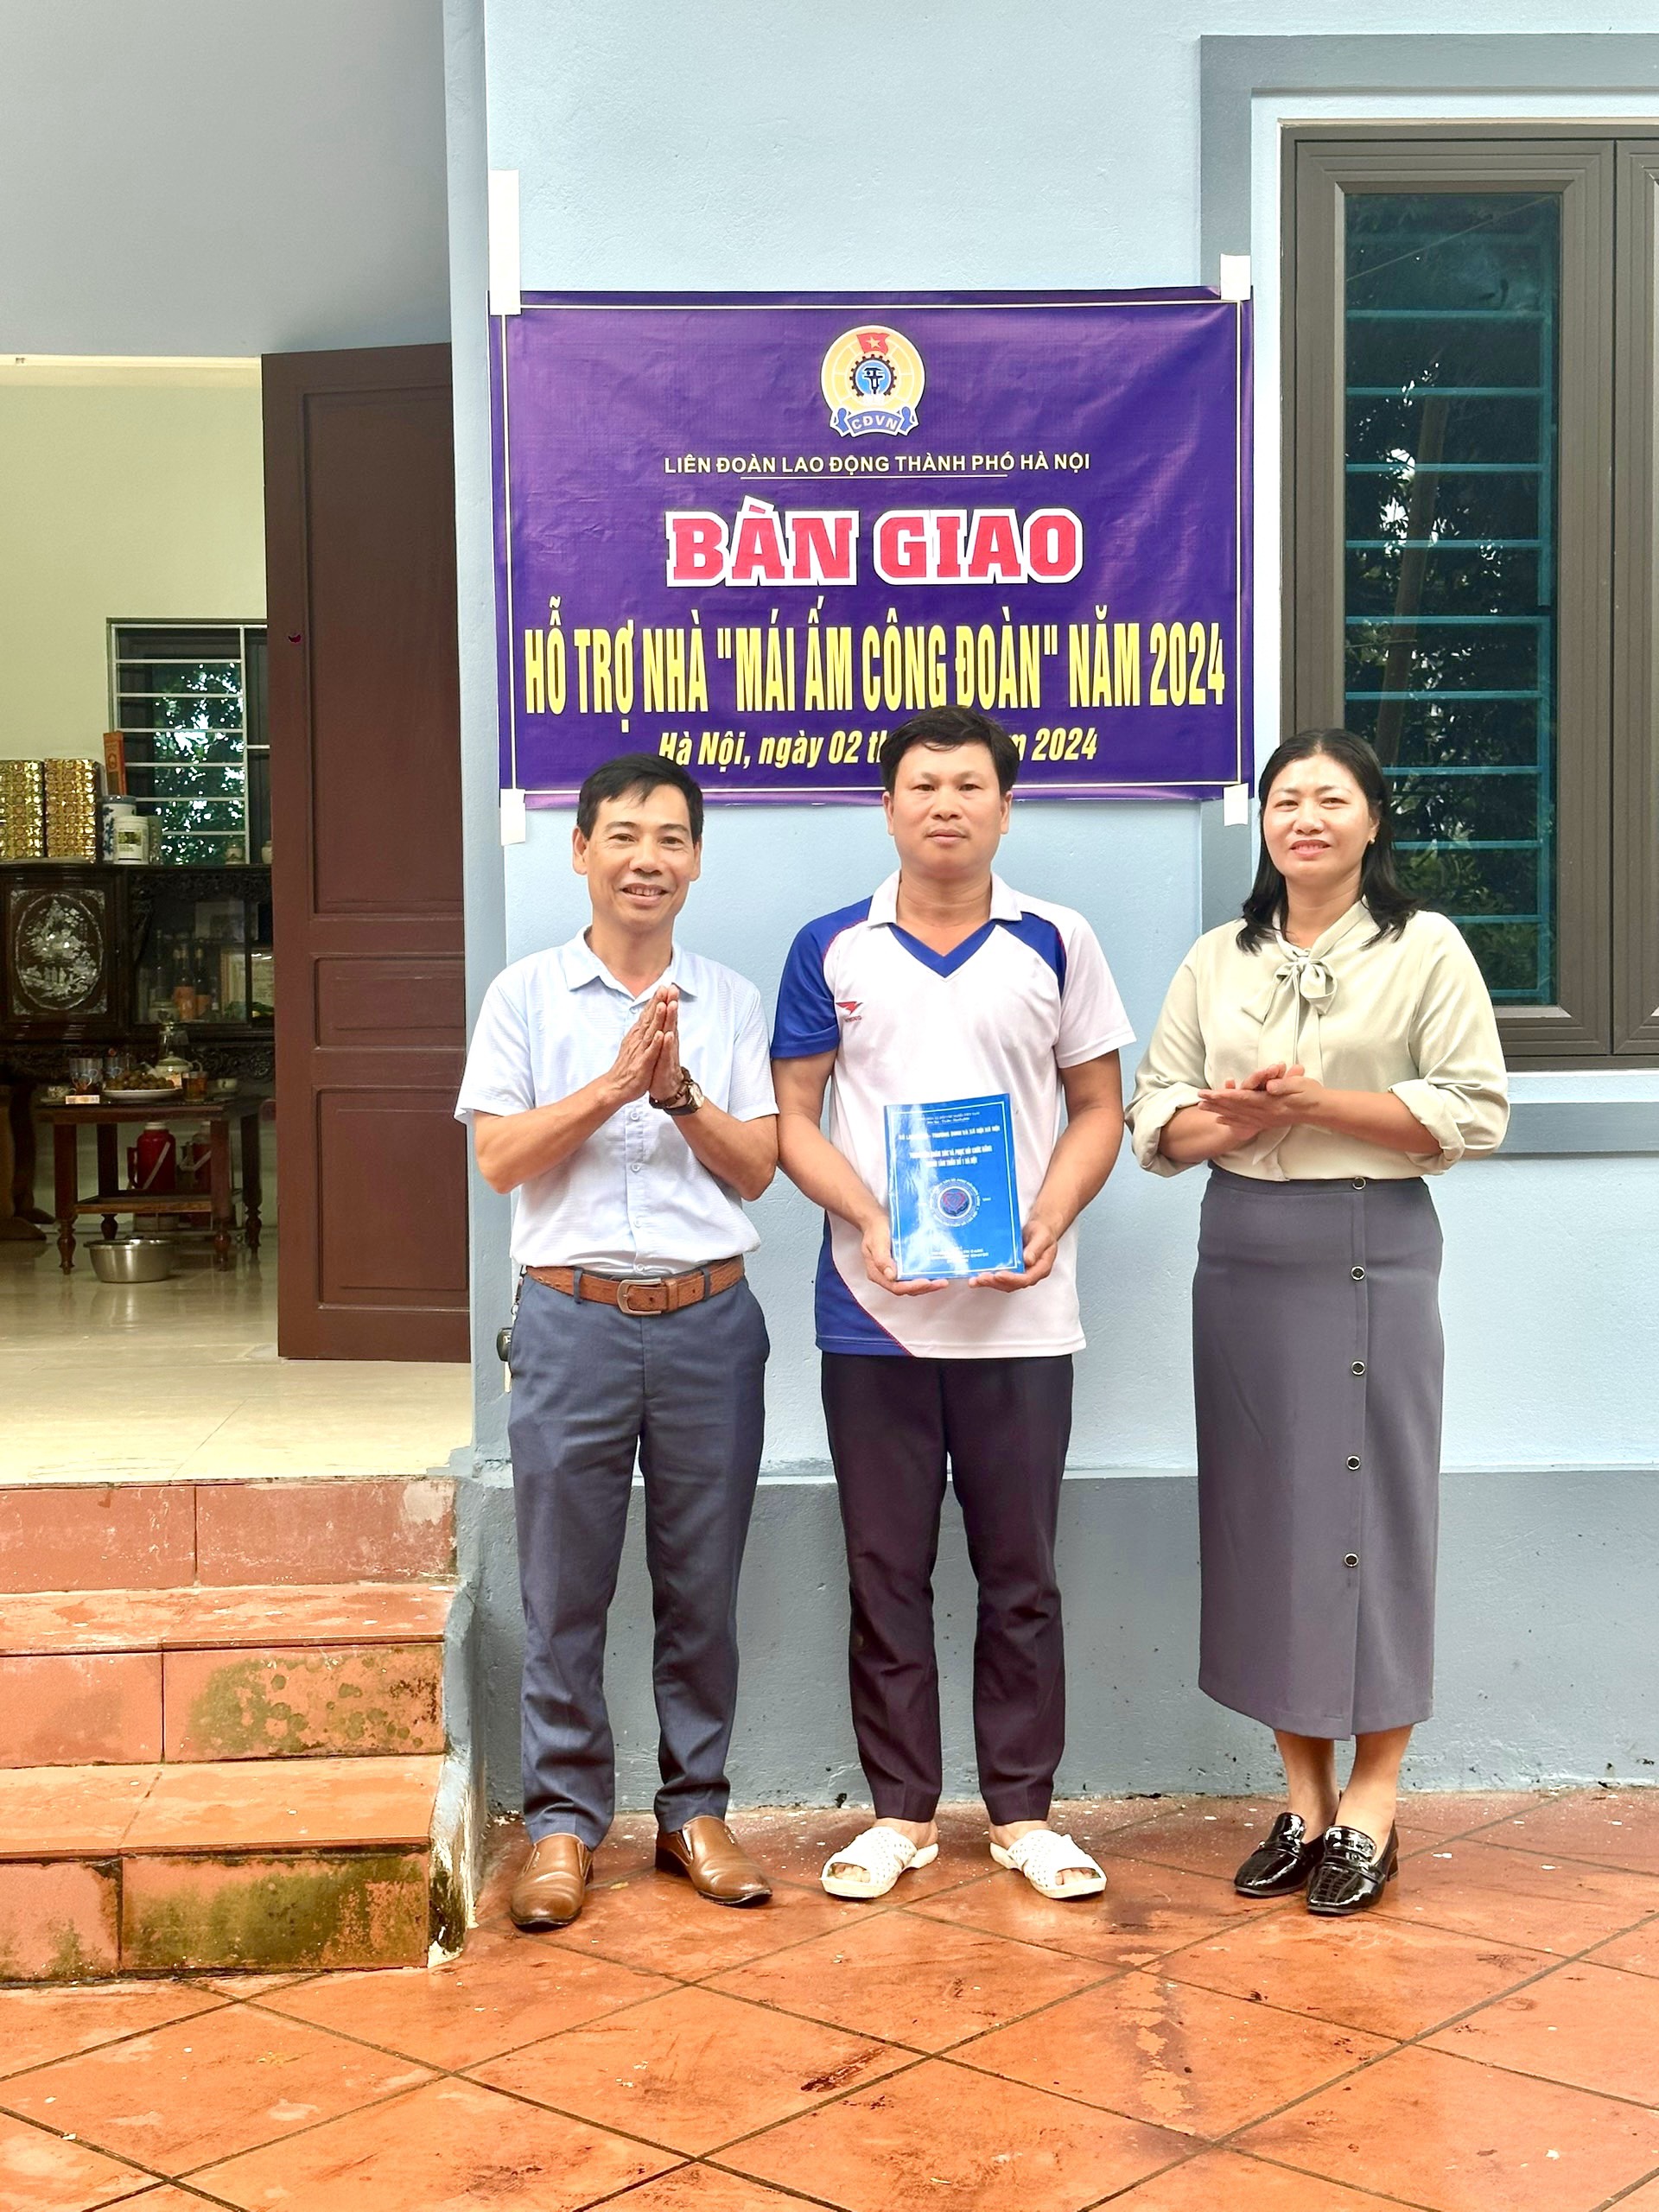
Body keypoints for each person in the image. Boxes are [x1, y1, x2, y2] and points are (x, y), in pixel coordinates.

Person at [1126, 729, 1508, 1915]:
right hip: (1246, 1251)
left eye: (1331, 799)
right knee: (1270, 1512)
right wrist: (1239, 1120)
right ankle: (1303, 1798)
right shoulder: (1218, 958)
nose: (1306, 817)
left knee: (1374, 1509)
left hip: (1374, 1245)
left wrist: (1322, 1105)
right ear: (1264, 823)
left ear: (1372, 820)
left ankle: (1374, 1804)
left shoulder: (1424, 947)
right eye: (1286, 798)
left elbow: (1473, 1111)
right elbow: (1157, 1123)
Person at [771, 705, 1135, 1903]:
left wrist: (1049, 1217)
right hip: (873, 1315)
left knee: (1021, 1573)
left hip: (1022, 1316)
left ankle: (1025, 1815)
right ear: (887, 807)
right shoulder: (832, 946)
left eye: (969, 785)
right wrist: (869, 1220)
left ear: (1005, 808)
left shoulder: (1057, 940)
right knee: (886, 1573)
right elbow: (793, 1120)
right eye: (922, 785)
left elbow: (1100, 1108)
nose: (945, 805)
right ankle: (901, 1815)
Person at [456, 753, 779, 1931]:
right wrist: (611, 1087)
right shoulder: (524, 996)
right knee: (564, 1586)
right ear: (581, 849)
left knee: (703, 1585)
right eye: (627, 836)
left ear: (696, 861)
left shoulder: (728, 1001)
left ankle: (696, 1812)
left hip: (708, 1321)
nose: (650, 859)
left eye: (673, 839)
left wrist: (680, 1093)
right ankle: (562, 1825)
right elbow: (499, 1159)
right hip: (572, 1319)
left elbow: (759, 1167)